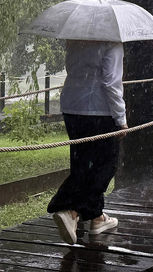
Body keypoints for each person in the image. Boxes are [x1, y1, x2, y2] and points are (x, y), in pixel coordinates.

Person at [48, 40, 127, 245]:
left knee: (82, 162)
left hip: (72, 107)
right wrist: (121, 119)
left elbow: (73, 70)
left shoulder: (75, 41)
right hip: (99, 111)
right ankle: (69, 209)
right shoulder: (112, 43)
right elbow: (111, 82)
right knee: (105, 165)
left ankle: (97, 218)